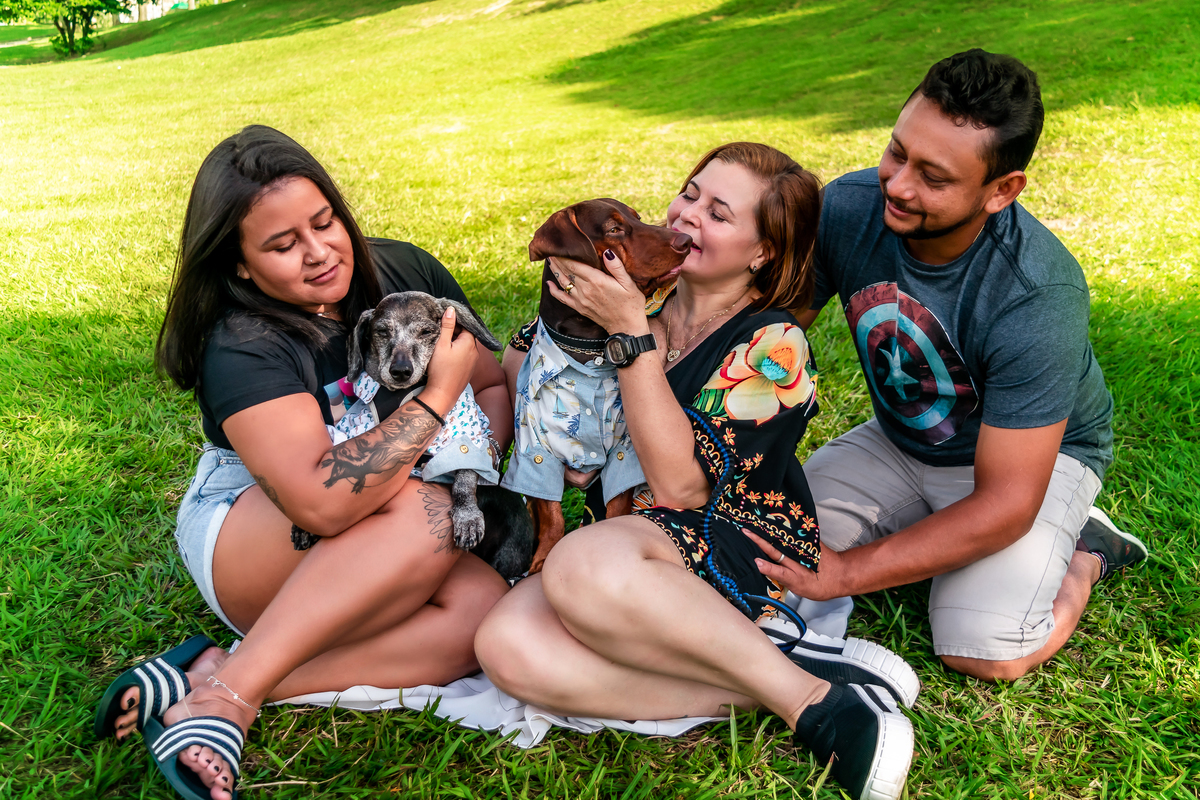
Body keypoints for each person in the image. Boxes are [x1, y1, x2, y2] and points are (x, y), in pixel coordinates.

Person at [477, 143, 917, 800]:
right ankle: (775, 670)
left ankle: (817, 707)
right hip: (627, 548)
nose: (687, 218)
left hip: (729, 540)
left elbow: (681, 488)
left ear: (761, 251)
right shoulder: (632, 314)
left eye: (718, 212)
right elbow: (529, 396)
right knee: (506, 644)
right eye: (688, 194)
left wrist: (630, 338)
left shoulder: (774, 347)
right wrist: (555, 335)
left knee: (582, 564)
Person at [93, 125, 511, 800]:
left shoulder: (405, 276)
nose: (319, 253)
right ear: (239, 265)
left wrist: (470, 459)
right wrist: (435, 402)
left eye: (325, 224)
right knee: (420, 507)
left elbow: (490, 385)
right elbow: (319, 500)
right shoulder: (243, 342)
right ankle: (229, 702)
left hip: (398, 514)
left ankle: (210, 675)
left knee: (486, 617)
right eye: (284, 245)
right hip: (257, 526)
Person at [752, 50, 1148, 683]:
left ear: (1002, 190)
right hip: (904, 438)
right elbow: (771, 333)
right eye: (896, 152)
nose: (899, 184)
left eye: (933, 178)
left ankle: (1089, 547)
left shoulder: (1037, 292)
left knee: (987, 649)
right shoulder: (851, 207)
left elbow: (1008, 502)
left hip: (1031, 463)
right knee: (764, 555)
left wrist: (847, 571)